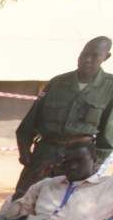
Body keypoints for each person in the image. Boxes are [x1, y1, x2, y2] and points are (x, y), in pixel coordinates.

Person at [14, 36, 113, 199]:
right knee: (22, 201)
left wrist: (94, 165)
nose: (87, 60)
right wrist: (24, 150)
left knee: (62, 208)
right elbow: (30, 121)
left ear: (106, 57)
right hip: (44, 154)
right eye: (84, 54)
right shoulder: (57, 82)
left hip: (79, 160)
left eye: (94, 56)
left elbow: (108, 137)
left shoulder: (109, 88)